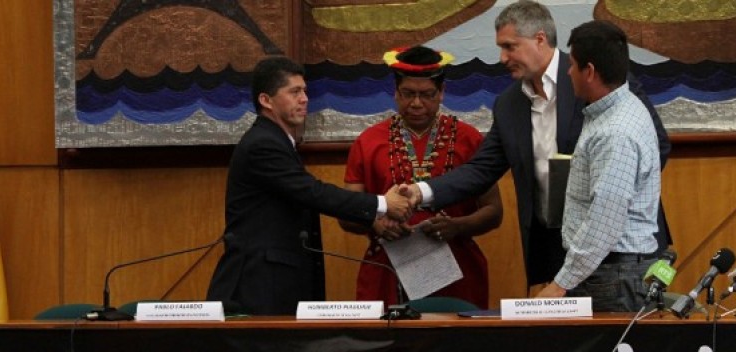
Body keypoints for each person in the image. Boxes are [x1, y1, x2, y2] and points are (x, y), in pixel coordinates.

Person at [402, 0, 671, 293]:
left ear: (539, 39)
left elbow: (656, 146)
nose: (502, 58)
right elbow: (480, 170)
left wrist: (609, 203)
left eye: (510, 46)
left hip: (618, 255)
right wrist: (421, 192)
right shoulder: (508, 104)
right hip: (555, 253)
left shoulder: (592, 77)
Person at [206, 56, 412, 315]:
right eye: (294, 92)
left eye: (304, 91)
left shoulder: (279, 141)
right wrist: (383, 203)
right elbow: (313, 192)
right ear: (266, 100)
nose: (304, 99)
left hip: (280, 284)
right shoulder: (262, 144)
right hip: (259, 287)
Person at [338, 46, 502, 309]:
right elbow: (345, 213)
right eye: (408, 94)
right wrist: (376, 224)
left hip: (458, 270)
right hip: (388, 269)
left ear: (442, 93)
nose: (416, 103)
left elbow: (494, 211)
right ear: (395, 92)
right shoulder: (368, 141)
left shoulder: (469, 138)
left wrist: (457, 226)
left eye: (427, 95)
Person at [534, 20, 661, 312]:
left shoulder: (614, 132)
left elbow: (605, 219)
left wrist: (560, 283)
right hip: (610, 271)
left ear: (589, 72)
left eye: (573, 65)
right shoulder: (622, 107)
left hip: (611, 277)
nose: (568, 72)